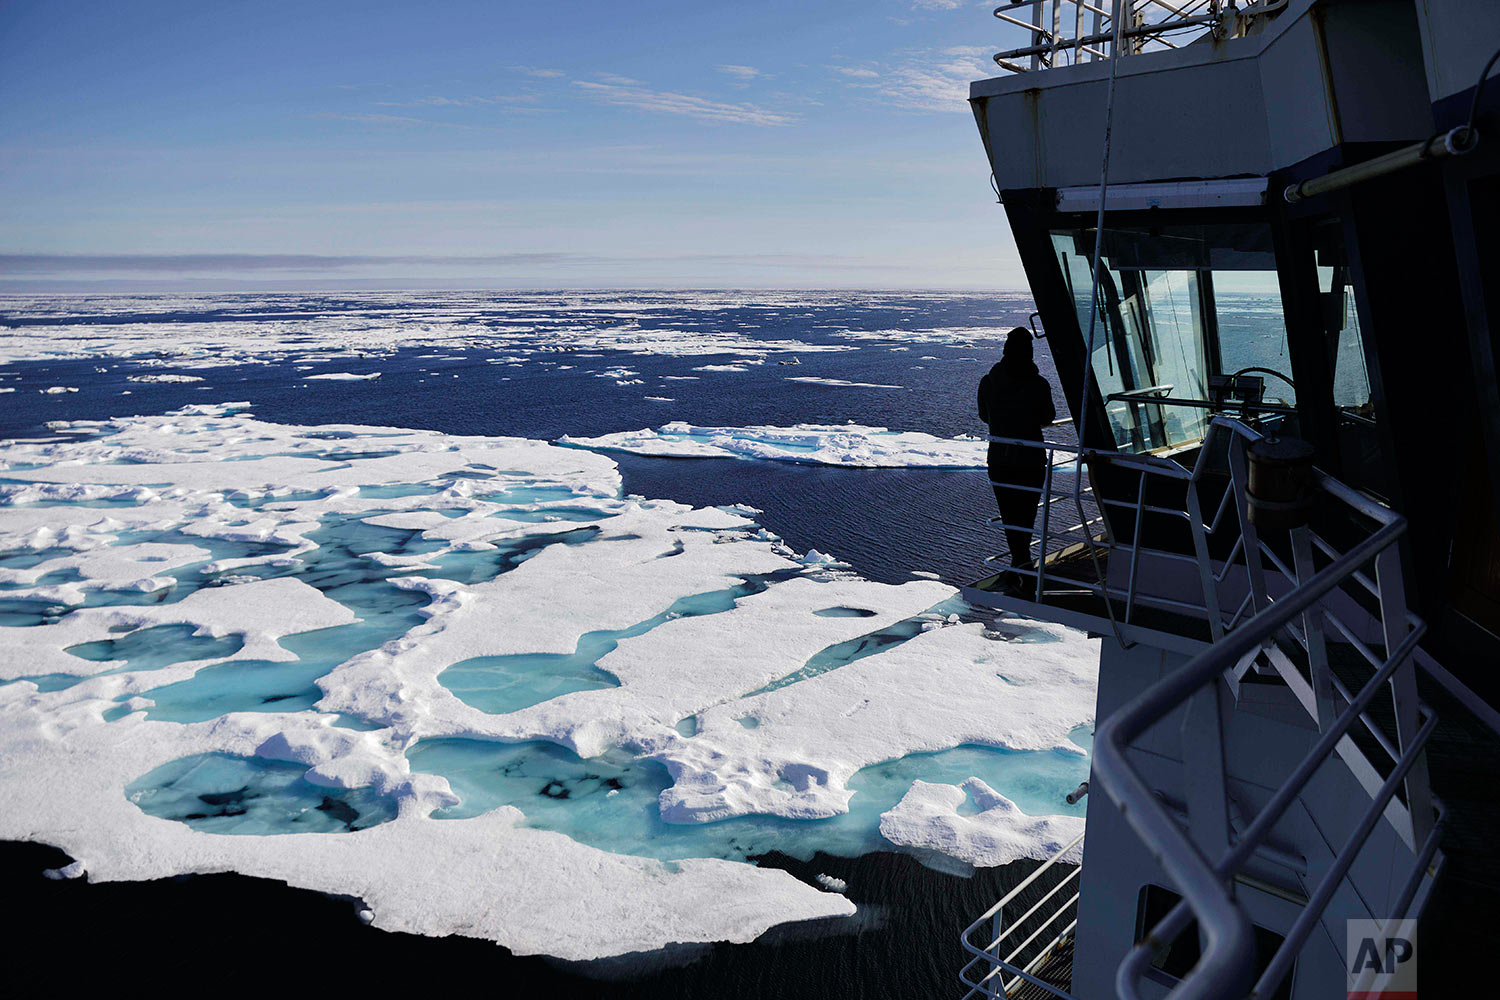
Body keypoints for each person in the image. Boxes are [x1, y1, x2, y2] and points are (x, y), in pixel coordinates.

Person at [978, 328, 1056, 585]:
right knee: (1026, 515)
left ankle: (1021, 564)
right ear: (1030, 353)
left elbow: (984, 416)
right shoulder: (1039, 384)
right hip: (1031, 459)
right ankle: (1023, 566)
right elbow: (1047, 418)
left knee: (1010, 515)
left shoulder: (988, 382)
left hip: (1000, 458)